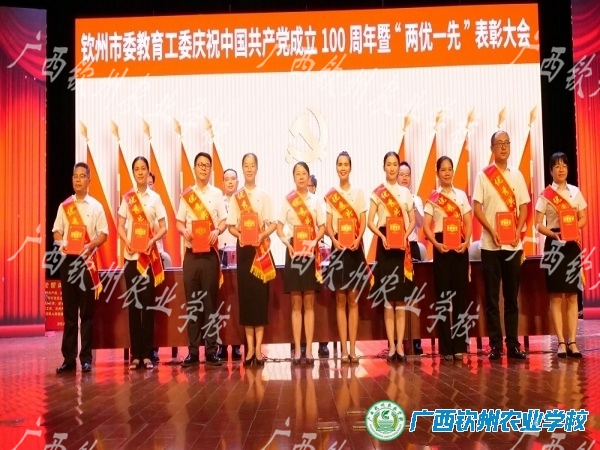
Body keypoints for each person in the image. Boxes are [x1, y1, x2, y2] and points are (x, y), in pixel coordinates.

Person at [473, 130, 529, 361]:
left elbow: (524, 207)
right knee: (492, 299)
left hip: (512, 246)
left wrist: (517, 231)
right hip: (490, 245)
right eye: (499, 143)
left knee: (511, 298)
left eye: (507, 143)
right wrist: (491, 230)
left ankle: (513, 344)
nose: (504, 147)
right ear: (492, 148)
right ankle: (496, 345)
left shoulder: (517, 175)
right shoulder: (483, 176)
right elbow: (477, 208)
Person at [53, 162, 108, 373]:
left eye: (82, 176)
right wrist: (63, 243)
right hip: (68, 262)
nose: (78, 179)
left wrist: (90, 244)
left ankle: (86, 358)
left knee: (86, 313)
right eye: (75, 176)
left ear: (89, 180)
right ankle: (68, 359)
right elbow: (56, 231)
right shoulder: (64, 206)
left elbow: (103, 234)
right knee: (69, 314)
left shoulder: (96, 206)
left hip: (87, 262)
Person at [176, 152, 227, 367]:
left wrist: (217, 231)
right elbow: (179, 222)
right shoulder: (187, 195)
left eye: (207, 165)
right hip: (191, 255)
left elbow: (223, 221)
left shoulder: (217, 194)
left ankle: (212, 350)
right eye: (200, 165)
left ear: (210, 170)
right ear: (194, 168)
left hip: (209, 257)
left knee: (210, 304)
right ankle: (193, 351)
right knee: (193, 305)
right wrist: (184, 232)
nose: (203, 168)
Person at [535, 152, 587, 359]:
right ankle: (561, 343)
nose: (561, 169)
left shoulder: (575, 192)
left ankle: (573, 341)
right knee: (556, 295)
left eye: (564, 165)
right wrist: (554, 234)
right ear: (551, 170)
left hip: (571, 245)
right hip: (554, 245)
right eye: (557, 166)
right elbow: (538, 224)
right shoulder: (545, 195)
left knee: (572, 295)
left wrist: (573, 229)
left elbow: (583, 217)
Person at [117, 156, 167, 370]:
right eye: (136, 169)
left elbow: (164, 227)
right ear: (133, 172)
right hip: (131, 258)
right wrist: (127, 241)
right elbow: (120, 225)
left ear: (148, 172)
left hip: (148, 258)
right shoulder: (127, 198)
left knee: (147, 305)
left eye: (143, 168)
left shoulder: (155, 198)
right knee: (134, 305)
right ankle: (135, 355)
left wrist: (152, 241)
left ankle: (147, 354)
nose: (140, 172)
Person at [227, 154, 277, 366]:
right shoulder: (236, 197)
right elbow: (231, 226)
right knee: (246, 300)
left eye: (252, 165)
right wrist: (240, 235)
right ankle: (249, 350)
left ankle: (258, 350)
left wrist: (262, 235)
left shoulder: (264, 196)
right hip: (244, 252)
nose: (249, 169)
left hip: (260, 251)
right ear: (242, 169)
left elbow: (273, 223)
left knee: (260, 300)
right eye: (245, 166)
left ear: (257, 168)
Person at [422, 156, 472, 361]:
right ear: (437, 173)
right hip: (441, 247)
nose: (447, 173)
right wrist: (436, 244)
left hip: (459, 247)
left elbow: (468, 222)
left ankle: (459, 345)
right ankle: (445, 347)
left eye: (449, 169)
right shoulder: (433, 198)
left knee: (460, 298)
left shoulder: (461, 195)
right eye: (443, 169)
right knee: (443, 298)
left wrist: (466, 242)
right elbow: (426, 226)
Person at [367, 152, 416, 363]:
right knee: (388, 298)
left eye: (395, 164)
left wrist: (405, 236)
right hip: (385, 244)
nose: (392, 168)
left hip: (401, 246)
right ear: (384, 167)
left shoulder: (405, 193)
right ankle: (391, 346)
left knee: (401, 298)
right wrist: (382, 237)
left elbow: (411, 221)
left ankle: (401, 346)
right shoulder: (378, 193)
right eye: (389, 164)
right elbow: (370, 221)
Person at [277, 162, 326, 365]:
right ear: (293, 177)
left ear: (308, 176)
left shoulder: (316, 201)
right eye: (297, 173)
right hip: (294, 252)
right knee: (296, 303)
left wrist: (315, 241)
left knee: (309, 303)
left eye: (304, 173)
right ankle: (298, 349)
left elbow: (322, 226)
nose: (301, 177)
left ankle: (310, 350)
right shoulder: (288, 200)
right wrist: (286, 243)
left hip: (310, 252)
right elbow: (279, 227)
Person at [324, 151, 367, 363]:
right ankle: (343, 350)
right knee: (340, 300)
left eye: (346, 164)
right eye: (339, 164)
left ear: (350, 167)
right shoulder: (331, 196)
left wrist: (358, 239)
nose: (343, 168)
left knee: (353, 300)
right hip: (338, 248)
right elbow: (328, 224)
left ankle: (352, 349)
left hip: (354, 249)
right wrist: (334, 240)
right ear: (336, 167)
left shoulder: (358, 193)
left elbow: (363, 220)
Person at [398, 161, 425, 355]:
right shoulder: (391, 198)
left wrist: (413, 204)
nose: (404, 177)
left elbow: (421, 223)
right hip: (395, 247)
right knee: (397, 295)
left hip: (412, 246)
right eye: (402, 174)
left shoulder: (417, 199)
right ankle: (397, 340)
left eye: (407, 174)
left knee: (413, 296)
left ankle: (416, 339)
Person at [147, 171, 174, 363]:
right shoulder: (132, 202)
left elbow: (161, 229)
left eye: (151, 183)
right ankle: (140, 349)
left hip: (156, 258)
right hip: (138, 258)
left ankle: (154, 348)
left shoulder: (156, 202)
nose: (148, 186)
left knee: (155, 305)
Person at [217, 168, 242, 361]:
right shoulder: (217, 200)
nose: (230, 182)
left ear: (237, 181)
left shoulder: (243, 201)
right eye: (227, 179)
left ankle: (236, 345)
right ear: (223, 182)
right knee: (222, 301)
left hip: (239, 251)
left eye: (233, 179)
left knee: (237, 300)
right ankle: (222, 345)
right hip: (220, 252)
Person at [308, 174, 330, 359]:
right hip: (301, 253)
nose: (307, 187)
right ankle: (301, 344)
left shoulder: (319, 203)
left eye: (310, 185)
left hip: (318, 252)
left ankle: (323, 342)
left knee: (321, 299)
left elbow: (324, 227)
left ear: (314, 187)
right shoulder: (292, 201)